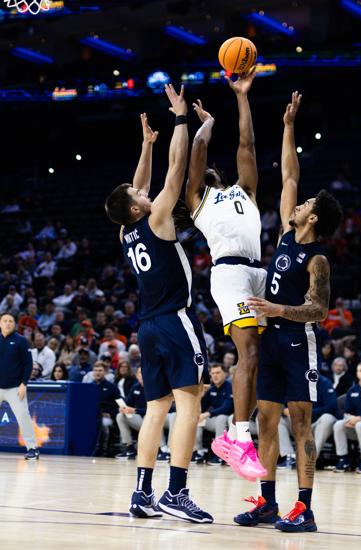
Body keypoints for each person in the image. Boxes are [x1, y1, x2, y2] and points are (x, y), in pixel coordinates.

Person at [235, 92, 343, 533]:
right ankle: (267, 501)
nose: (297, 205)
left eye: (306, 206)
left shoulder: (317, 260)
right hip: (274, 339)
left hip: (300, 340)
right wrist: (287, 126)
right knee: (266, 421)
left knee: (300, 423)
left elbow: (319, 309)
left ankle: (305, 507)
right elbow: (290, 175)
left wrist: (277, 307)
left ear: (313, 219)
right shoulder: (284, 234)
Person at [104, 85, 212, 523]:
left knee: (155, 409)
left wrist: (146, 145)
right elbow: (176, 170)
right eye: (137, 196)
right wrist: (180, 119)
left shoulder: (126, 231)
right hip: (175, 320)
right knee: (190, 405)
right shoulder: (158, 218)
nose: (143, 192)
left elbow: (141, 185)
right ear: (136, 209)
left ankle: (142, 493)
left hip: (147, 327)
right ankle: (177, 492)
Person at [185, 69, 267, 480]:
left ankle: (235, 435)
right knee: (247, 353)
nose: (207, 173)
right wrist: (208, 124)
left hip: (258, 272)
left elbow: (247, 144)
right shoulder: (198, 200)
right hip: (230, 272)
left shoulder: (244, 191)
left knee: (259, 358)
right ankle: (240, 437)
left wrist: (241, 97)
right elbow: (197, 153)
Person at [0, 313, 38, 459]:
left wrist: (24, 384)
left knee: (23, 417)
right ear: (0, 324)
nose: (8, 323)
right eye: (5, 321)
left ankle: (32, 448)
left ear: (14, 324)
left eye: (10, 321)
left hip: (15, 388)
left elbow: (28, 364)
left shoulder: (21, 340)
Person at [194, 364, 234, 465]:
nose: (215, 376)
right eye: (213, 373)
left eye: (218, 373)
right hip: (214, 420)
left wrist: (208, 413)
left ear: (225, 374)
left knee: (221, 418)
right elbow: (202, 408)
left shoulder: (230, 387)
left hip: (229, 420)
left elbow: (227, 408)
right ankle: (199, 451)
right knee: (197, 418)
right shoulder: (211, 389)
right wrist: (201, 395)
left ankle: (220, 454)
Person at [115, 367, 146, 459]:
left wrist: (135, 410)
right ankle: (129, 447)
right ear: (137, 375)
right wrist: (123, 408)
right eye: (140, 373)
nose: (142, 375)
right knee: (120, 416)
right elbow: (128, 403)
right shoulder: (136, 387)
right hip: (139, 419)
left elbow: (156, 409)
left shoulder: (154, 388)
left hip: (151, 419)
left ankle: (161, 449)